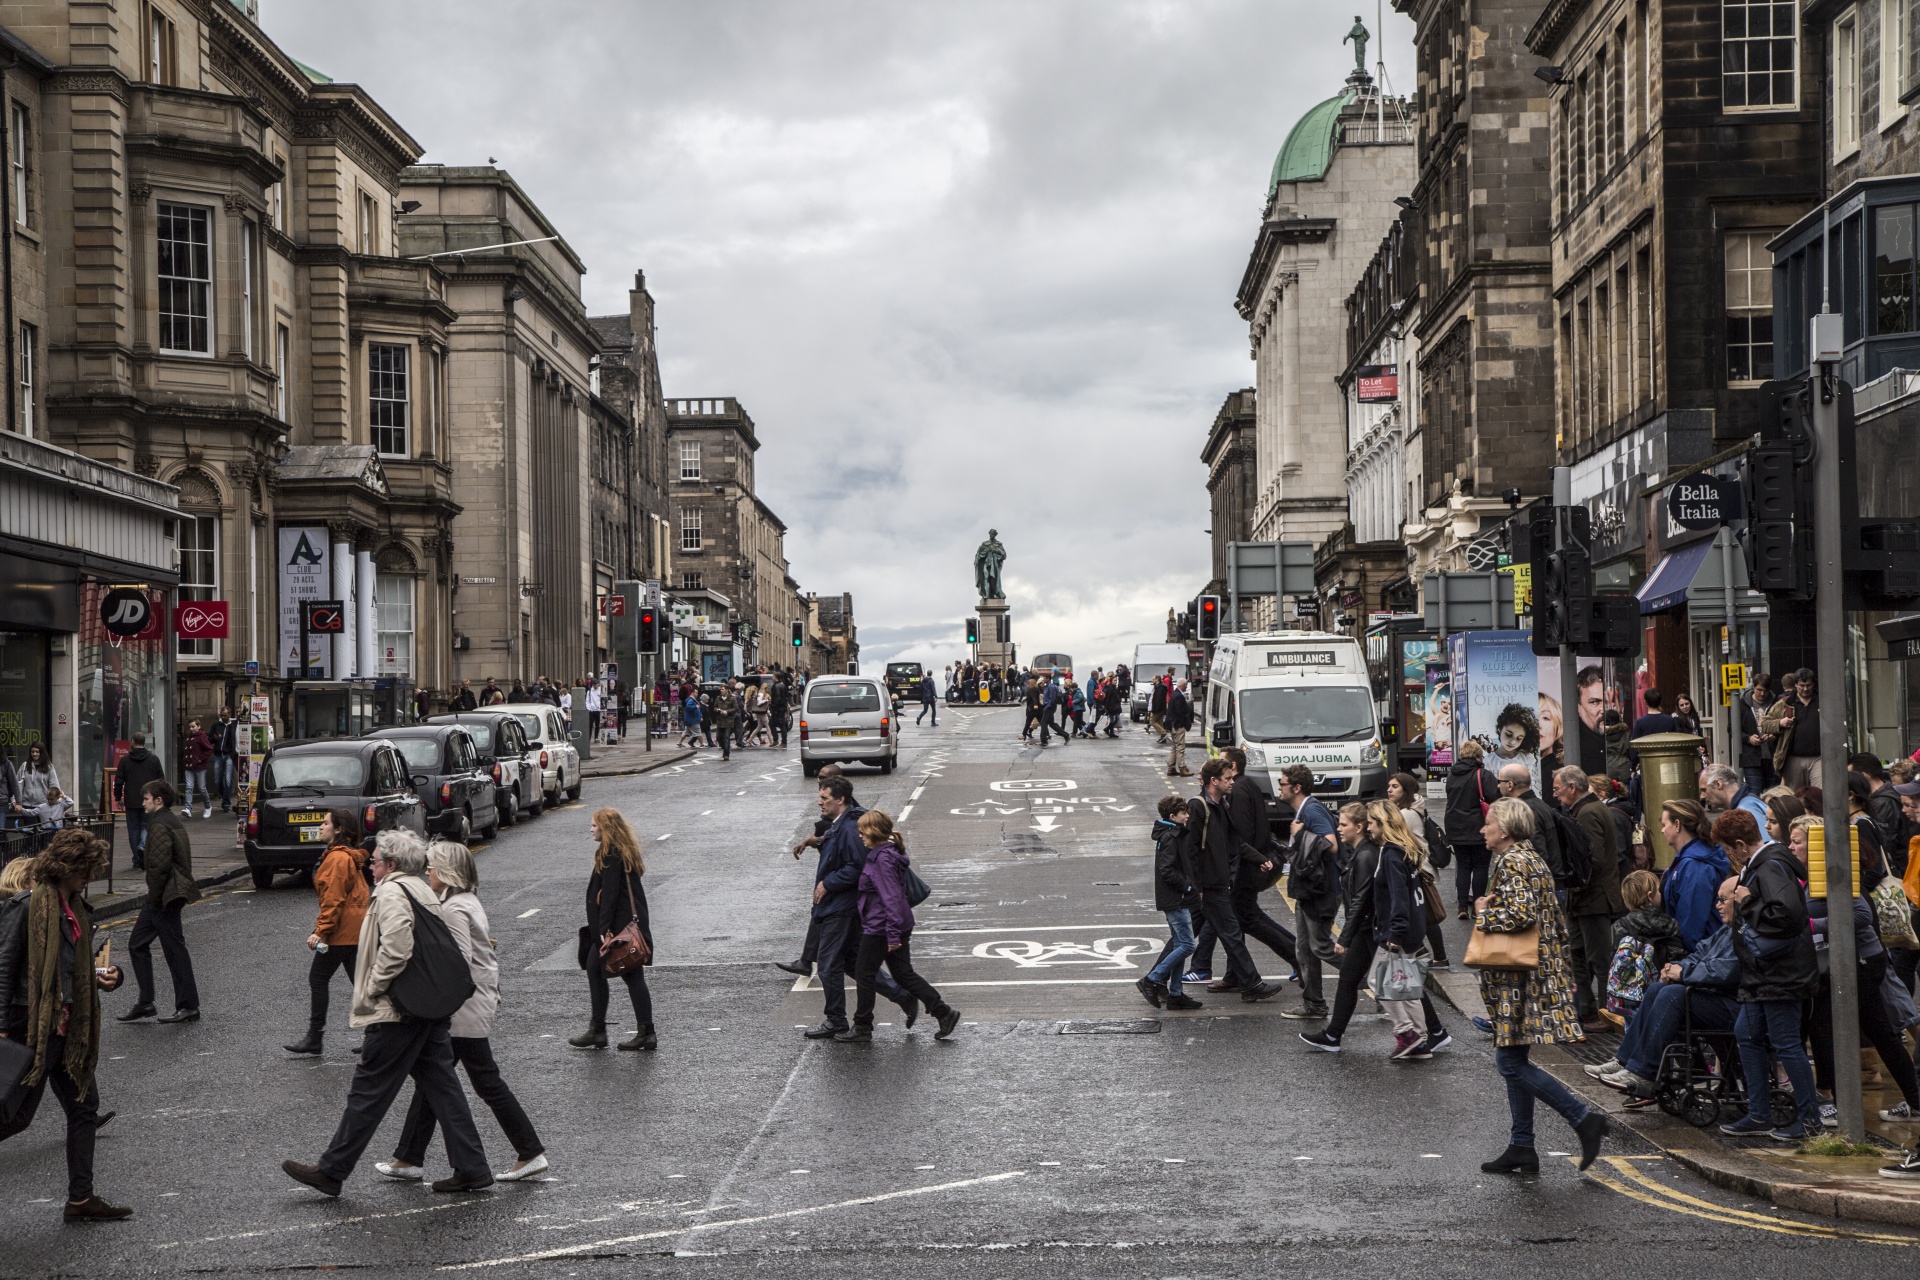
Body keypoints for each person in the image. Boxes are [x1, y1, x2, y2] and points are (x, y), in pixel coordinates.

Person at [282, 830, 494, 1196]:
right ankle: (472, 1167)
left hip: (398, 1009)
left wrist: (373, 987)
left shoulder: (393, 892)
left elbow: (397, 946)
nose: (370, 865)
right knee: (443, 1088)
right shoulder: (423, 889)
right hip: (428, 1006)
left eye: (375, 861)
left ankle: (332, 1171)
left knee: (368, 1090)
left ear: (391, 865)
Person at [378, 841, 549, 1183]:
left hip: (463, 1007)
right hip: (472, 1001)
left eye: (433, 866)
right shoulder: (463, 901)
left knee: (477, 1080)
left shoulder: (454, 907)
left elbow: (456, 961)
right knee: (435, 1079)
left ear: (448, 872)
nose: (427, 872)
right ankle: (409, 1157)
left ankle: (530, 1151)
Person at [0, 830, 134, 1221]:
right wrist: (2, 1027)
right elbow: (5, 966)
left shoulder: (76, 908)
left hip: (68, 1027)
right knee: (16, 1117)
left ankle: (81, 1199)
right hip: (31, 1025)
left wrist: (111, 976)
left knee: (84, 1108)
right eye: (85, 870)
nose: (90, 877)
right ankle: (82, 1198)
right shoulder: (25, 907)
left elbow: (72, 969)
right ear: (66, 867)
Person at [1473, 796, 1609, 1174]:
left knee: (1509, 1064)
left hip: (1523, 979)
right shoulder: (1528, 857)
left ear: (1504, 829)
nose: (1483, 829)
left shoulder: (1514, 861)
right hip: (1534, 973)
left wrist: (1485, 914)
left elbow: (1519, 914)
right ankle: (1521, 1145)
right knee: (1514, 1057)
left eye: (1488, 824)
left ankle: (1583, 1118)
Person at [1586, 874, 1743, 1096]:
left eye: (1723, 900)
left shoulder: (1742, 932)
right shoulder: (1726, 930)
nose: (1717, 905)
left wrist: (1683, 973)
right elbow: (1699, 954)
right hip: (1718, 998)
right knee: (1658, 988)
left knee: (1672, 995)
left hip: (1733, 1004)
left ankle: (1642, 1071)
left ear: (1739, 902)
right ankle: (1625, 1061)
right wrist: (1673, 968)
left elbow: (1727, 970)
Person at [1720, 807, 1821, 1141]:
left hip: (1781, 975)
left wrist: (1747, 903)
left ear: (1739, 844)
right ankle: (1759, 1114)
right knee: (1746, 1035)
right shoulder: (1761, 866)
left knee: (1787, 1044)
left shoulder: (1770, 867)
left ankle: (1809, 1120)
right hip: (1762, 976)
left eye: (1726, 849)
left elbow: (1788, 915)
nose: (1727, 856)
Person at [803, 776, 918, 1038]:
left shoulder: (851, 826)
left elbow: (857, 866)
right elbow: (840, 852)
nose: (819, 802)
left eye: (825, 798)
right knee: (853, 963)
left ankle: (836, 1020)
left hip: (842, 907)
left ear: (840, 799)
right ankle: (902, 996)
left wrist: (828, 884)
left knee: (828, 964)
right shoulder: (841, 824)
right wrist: (817, 842)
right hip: (845, 906)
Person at [838, 810, 961, 1042]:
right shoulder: (885, 853)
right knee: (903, 974)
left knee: (864, 973)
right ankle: (944, 1012)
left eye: (863, 831)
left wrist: (892, 935)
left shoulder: (882, 860)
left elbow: (892, 898)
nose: (860, 836)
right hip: (893, 924)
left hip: (882, 927)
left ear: (873, 832)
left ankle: (862, 1027)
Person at [1184, 759, 1282, 1004]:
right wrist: (1196, 887)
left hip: (1217, 884)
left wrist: (1259, 858)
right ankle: (1251, 984)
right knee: (1227, 933)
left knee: (1202, 935)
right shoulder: (1199, 807)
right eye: (1227, 779)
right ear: (1213, 781)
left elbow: (1234, 842)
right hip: (1207, 887)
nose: (1232, 782)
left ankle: (1154, 979)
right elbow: (1191, 851)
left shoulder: (1221, 805)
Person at [284, 809, 369, 1056]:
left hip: (342, 931)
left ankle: (315, 1038)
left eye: (325, 823)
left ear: (339, 829)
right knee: (361, 983)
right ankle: (377, 1036)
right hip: (352, 928)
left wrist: (320, 932)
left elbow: (333, 899)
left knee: (318, 978)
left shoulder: (338, 859)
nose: (320, 826)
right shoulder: (339, 855)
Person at [569, 809, 656, 1051]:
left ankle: (635, 1032)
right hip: (621, 927)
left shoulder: (612, 854)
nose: (591, 829)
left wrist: (604, 929)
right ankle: (604, 1030)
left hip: (617, 931)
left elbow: (609, 895)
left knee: (629, 976)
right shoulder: (618, 851)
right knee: (600, 971)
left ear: (605, 828)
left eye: (594, 825)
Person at [118, 780, 200, 1024]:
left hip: (165, 896)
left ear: (159, 800)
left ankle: (188, 1006)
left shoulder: (159, 824)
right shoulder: (169, 820)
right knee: (137, 944)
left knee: (174, 950)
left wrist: (154, 898)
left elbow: (159, 866)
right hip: (166, 894)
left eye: (146, 798)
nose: (142, 803)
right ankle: (146, 1002)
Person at [1555, 765, 1624, 1033]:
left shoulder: (1588, 813)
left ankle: (1605, 1014)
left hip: (1593, 899)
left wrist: (1575, 882)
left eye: (1558, 789)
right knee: (1578, 956)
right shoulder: (1588, 810)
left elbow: (1591, 860)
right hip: (1585, 899)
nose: (1556, 794)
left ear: (1573, 788)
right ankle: (1586, 1009)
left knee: (1598, 958)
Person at [1363, 801, 1429, 1060]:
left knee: (1378, 981)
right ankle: (1421, 1039)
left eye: (1371, 822)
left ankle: (1406, 1034)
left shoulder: (1391, 855)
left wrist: (1394, 935)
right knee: (1406, 987)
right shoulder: (1406, 849)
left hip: (1398, 931)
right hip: (1413, 930)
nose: (1368, 827)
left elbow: (1399, 898)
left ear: (1383, 824)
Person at [1279, 787, 1343, 1021]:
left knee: (1320, 947)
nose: (1279, 788)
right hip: (1308, 891)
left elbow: (1331, 845)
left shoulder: (1313, 811)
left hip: (1321, 891)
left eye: (1283, 784)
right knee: (1304, 949)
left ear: (1296, 788)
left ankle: (1371, 979)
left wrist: (1299, 835)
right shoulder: (1305, 810)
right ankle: (1314, 1005)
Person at [1137, 796, 1204, 1011]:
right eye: (1183, 813)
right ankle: (1153, 979)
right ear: (1172, 816)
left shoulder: (1173, 834)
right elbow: (1167, 870)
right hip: (1176, 899)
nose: (1187, 815)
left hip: (1176, 898)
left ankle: (1175, 994)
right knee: (1187, 945)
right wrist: (1186, 887)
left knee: (1179, 944)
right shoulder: (1170, 837)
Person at [1659, 799, 1731, 951]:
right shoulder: (1692, 859)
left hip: (1701, 954)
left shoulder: (1694, 866)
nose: (1662, 830)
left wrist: (1683, 959)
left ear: (1677, 825)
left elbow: (1691, 921)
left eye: (1664, 825)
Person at [1444, 740, 1499, 918]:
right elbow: (1495, 798)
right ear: (1477, 756)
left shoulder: (1452, 775)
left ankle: (1461, 907)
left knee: (1463, 866)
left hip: (1455, 827)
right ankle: (1478, 906)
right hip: (1479, 827)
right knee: (1481, 866)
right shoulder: (1483, 775)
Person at [1498, 763, 1565, 887]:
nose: (1498, 785)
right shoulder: (1539, 804)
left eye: (1500, 781)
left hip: (1542, 885)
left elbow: (1537, 852)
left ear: (1510, 785)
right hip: (1550, 881)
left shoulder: (1526, 810)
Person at [1764, 668, 1822, 790]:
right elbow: (1765, 724)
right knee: (1796, 795)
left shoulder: (1822, 701)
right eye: (1802, 685)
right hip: (1793, 758)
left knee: (1819, 793)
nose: (1805, 689)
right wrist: (1780, 723)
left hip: (1819, 757)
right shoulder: (1785, 703)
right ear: (1795, 685)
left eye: (1808, 685)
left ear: (1813, 684)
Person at [113, 734, 165, 860]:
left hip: (131, 800)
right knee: (146, 826)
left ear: (132, 742)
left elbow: (119, 780)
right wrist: (159, 797)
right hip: (149, 800)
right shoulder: (153, 759)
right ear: (144, 742)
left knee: (133, 829)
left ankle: (137, 857)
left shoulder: (125, 760)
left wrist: (118, 797)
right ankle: (142, 847)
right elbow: (161, 780)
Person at [1700, 762, 1770, 830]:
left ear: (1718, 784)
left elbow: (1768, 841)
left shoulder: (1745, 810)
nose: (1702, 796)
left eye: (1704, 790)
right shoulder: (1746, 805)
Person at [14, 740, 61, 816]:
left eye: (37, 752)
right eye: (32, 752)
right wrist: (15, 802)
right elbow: (17, 784)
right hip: (27, 805)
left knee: (44, 827)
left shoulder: (49, 767)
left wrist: (59, 805)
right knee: (28, 827)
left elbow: (54, 786)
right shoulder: (25, 765)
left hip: (44, 805)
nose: (34, 754)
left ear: (41, 753)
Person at [181, 718, 214, 819]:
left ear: (198, 726)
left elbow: (209, 749)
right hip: (189, 766)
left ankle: (208, 806)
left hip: (199, 767)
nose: (191, 729)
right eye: (190, 727)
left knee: (202, 788)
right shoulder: (190, 737)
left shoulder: (201, 736)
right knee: (189, 787)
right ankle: (188, 808)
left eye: (193, 726)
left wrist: (199, 759)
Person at [211, 707, 240, 813]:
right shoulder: (216, 725)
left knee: (228, 780)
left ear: (229, 714)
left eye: (225, 715)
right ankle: (224, 797)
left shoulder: (233, 724)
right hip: (218, 755)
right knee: (217, 780)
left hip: (229, 755)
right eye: (221, 715)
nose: (223, 717)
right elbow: (210, 739)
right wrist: (214, 738)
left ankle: (226, 803)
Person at [1165, 679, 1193, 777]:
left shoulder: (1174, 694)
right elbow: (1180, 713)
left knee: (1174, 746)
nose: (1186, 687)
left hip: (1173, 725)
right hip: (1178, 725)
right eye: (1186, 685)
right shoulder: (1179, 696)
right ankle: (1182, 768)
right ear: (1183, 685)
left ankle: (1171, 768)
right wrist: (1185, 723)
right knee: (1180, 747)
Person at [709, 682, 737, 761]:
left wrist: (727, 711)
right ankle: (725, 748)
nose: (721, 690)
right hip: (720, 721)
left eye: (722, 689)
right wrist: (717, 709)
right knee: (718, 737)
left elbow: (736, 708)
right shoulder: (718, 698)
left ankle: (726, 754)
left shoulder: (732, 698)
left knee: (726, 738)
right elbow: (714, 707)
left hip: (728, 721)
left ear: (727, 690)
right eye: (720, 689)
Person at [1149, 676, 1170, 745]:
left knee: (1152, 721)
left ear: (1157, 679)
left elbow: (1158, 700)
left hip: (1158, 709)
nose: (1152, 680)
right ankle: (1163, 738)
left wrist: (1155, 709)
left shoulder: (1159, 688)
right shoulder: (1160, 687)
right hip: (1161, 708)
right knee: (1160, 722)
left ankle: (1163, 733)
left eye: (1153, 679)